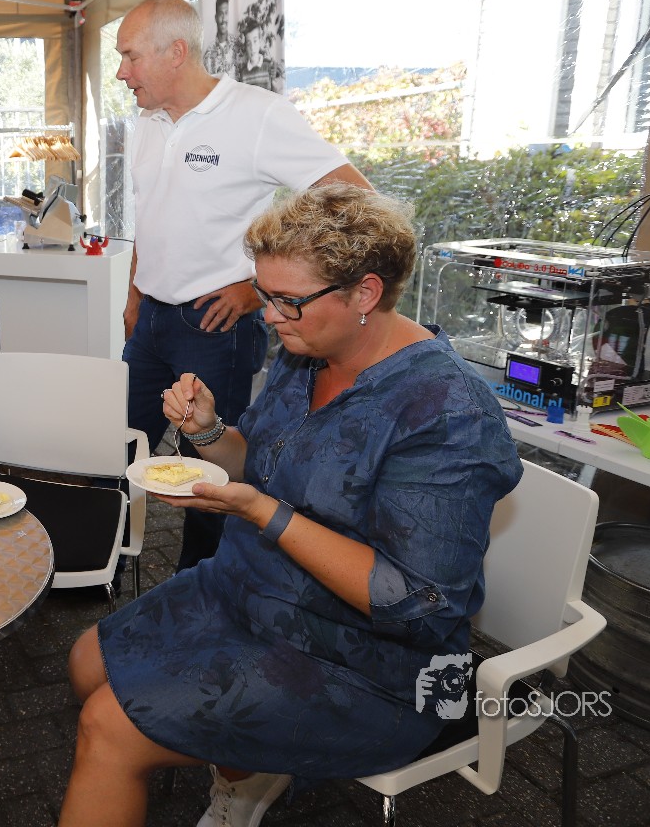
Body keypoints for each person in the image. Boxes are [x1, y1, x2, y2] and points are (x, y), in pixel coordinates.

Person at [58, 185, 521, 827]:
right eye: (264, 293)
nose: (270, 316)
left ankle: (241, 773)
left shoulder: (445, 412)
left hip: (369, 659)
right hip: (252, 587)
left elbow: (417, 601)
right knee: (85, 665)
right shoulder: (308, 351)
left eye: (287, 301)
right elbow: (258, 463)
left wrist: (263, 514)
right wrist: (208, 432)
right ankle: (244, 766)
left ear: (364, 293)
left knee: (107, 727)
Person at [116, 0, 370, 573]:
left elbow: (355, 200)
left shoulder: (257, 115)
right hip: (150, 320)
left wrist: (261, 290)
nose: (123, 72)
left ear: (175, 52)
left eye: (130, 56)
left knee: (212, 475)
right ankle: (104, 567)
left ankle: (204, 587)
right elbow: (147, 218)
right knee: (120, 448)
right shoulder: (146, 123)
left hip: (214, 326)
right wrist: (132, 296)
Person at [201, 0, 241, 79]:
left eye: (226, 13)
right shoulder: (208, 54)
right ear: (216, 17)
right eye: (220, 14)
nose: (223, 19)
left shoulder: (238, 46)